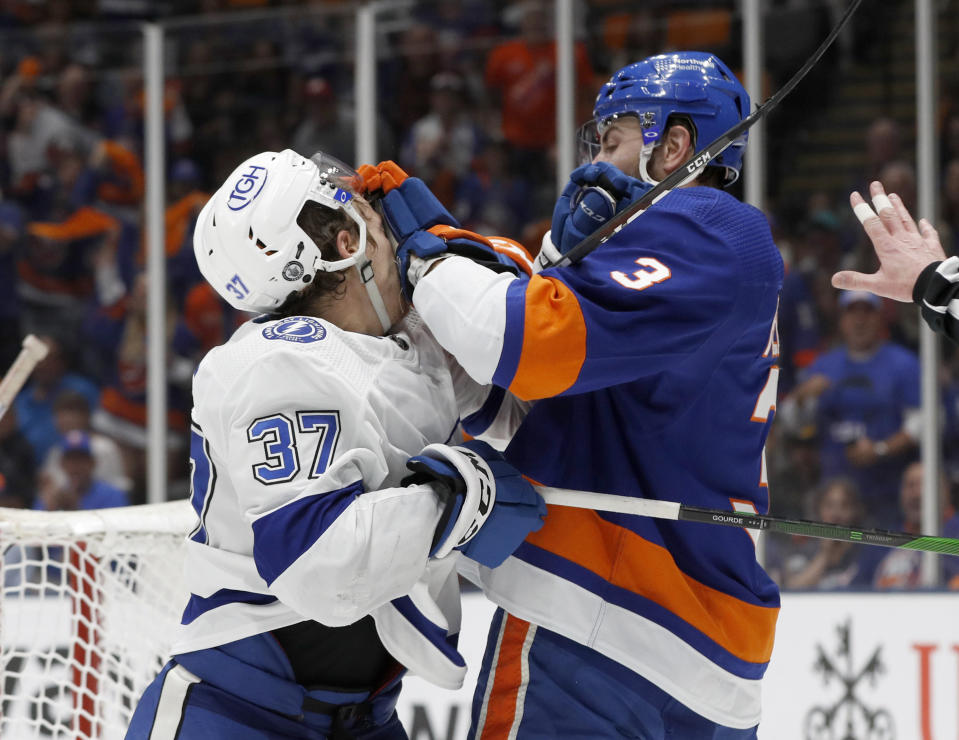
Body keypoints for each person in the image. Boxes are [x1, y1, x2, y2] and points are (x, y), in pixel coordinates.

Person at [363, 51, 782, 737]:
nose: (593, 163)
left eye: (613, 141)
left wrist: (426, 252)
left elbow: (518, 345)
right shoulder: (689, 253)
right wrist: (549, 264)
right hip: (703, 652)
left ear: (673, 147)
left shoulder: (705, 222)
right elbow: (520, 405)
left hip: (601, 617)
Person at [125, 149, 545, 740]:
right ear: (346, 243)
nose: (397, 236)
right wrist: (454, 498)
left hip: (364, 720)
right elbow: (317, 565)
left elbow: (530, 405)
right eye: (376, 225)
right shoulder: (274, 363)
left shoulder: (403, 338)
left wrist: (479, 255)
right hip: (237, 716)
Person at [783, 289, 920, 528]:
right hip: (833, 495)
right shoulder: (824, 366)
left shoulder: (904, 365)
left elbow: (924, 423)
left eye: (867, 312)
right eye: (852, 312)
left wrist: (881, 449)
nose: (859, 320)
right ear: (841, 320)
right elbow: (794, 424)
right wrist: (801, 396)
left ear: (880, 317)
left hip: (887, 494)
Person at [832, 181, 953, 342]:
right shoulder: (865, 249)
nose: (860, 319)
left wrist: (930, 281)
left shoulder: (923, 239)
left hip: (916, 335)